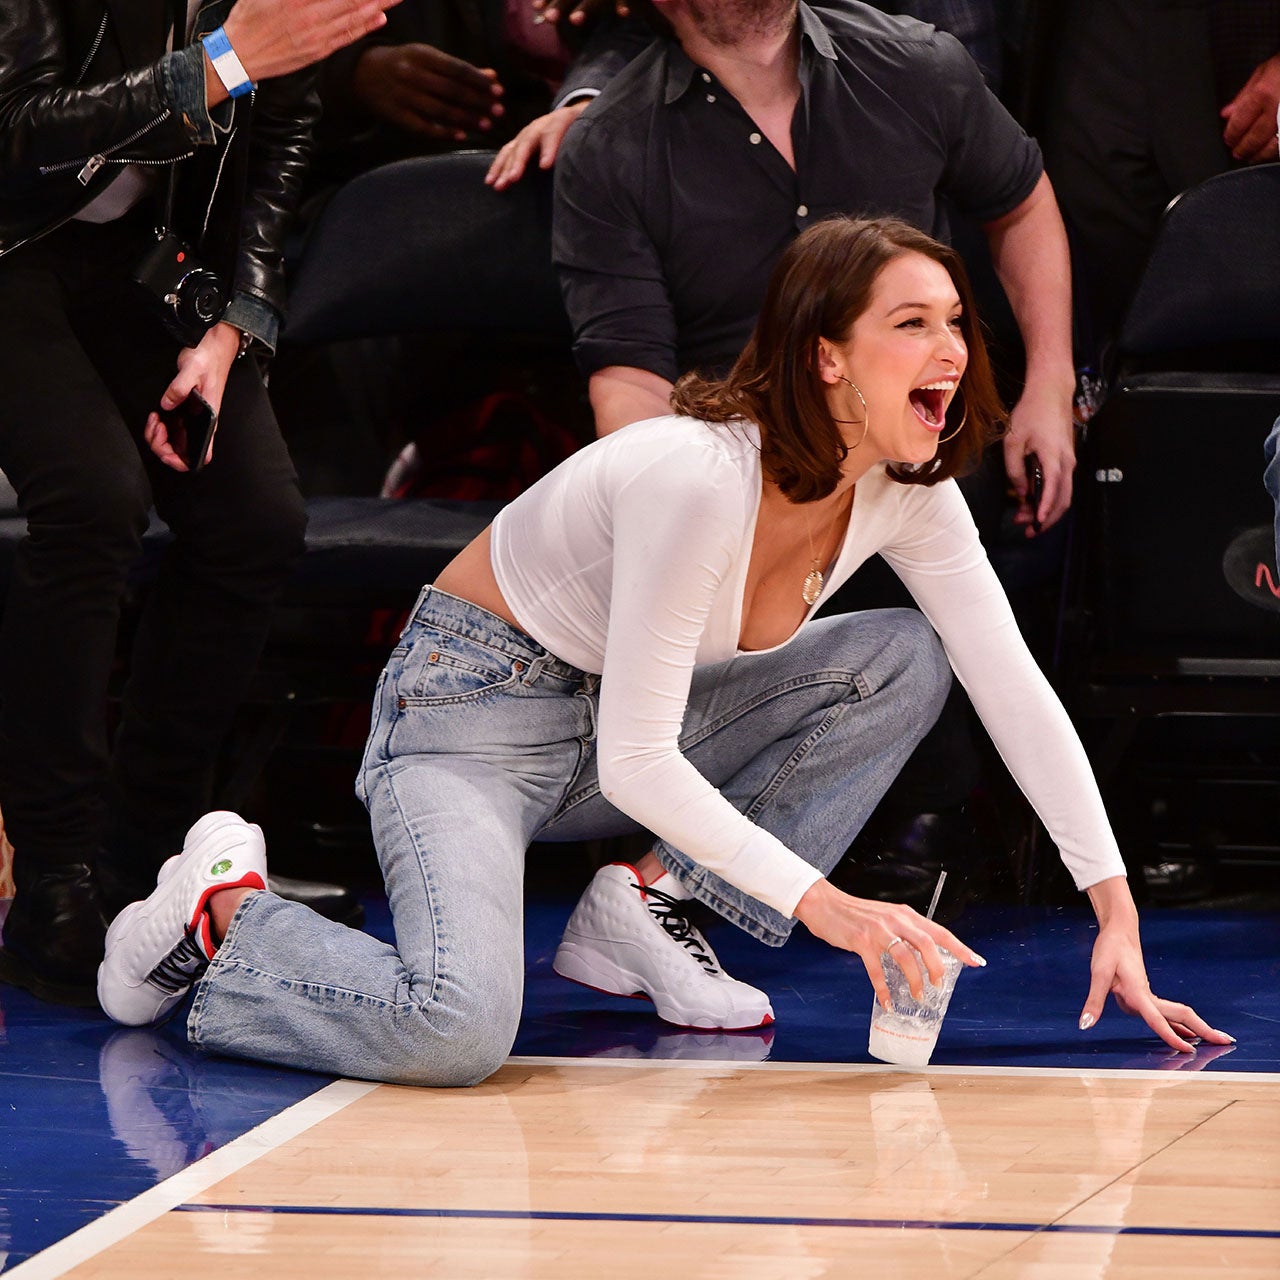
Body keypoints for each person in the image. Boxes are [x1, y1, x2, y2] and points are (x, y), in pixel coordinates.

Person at [96, 217, 1229, 1085]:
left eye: (953, 320)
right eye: (910, 322)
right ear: (824, 356)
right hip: (466, 719)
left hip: (620, 726)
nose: (949, 347)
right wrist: (832, 908)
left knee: (899, 656)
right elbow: (640, 762)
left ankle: (645, 903)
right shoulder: (699, 474)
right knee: (458, 1027)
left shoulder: (907, 495)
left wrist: (1112, 905)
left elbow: (1012, 687)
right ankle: (224, 915)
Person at [0, 0, 399, 1006]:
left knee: (257, 517)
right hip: (9, 247)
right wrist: (217, 63)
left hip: (140, 258)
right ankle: (53, 871)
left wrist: (235, 328)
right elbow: (19, 132)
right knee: (92, 499)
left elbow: (284, 142)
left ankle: (149, 854)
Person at [551, 0, 1075, 538]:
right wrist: (689, 529)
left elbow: (1021, 204)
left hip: (922, 465)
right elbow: (632, 381)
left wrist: (1050, 387)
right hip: (745, 492)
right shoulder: (607, 148)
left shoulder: (917, 64)